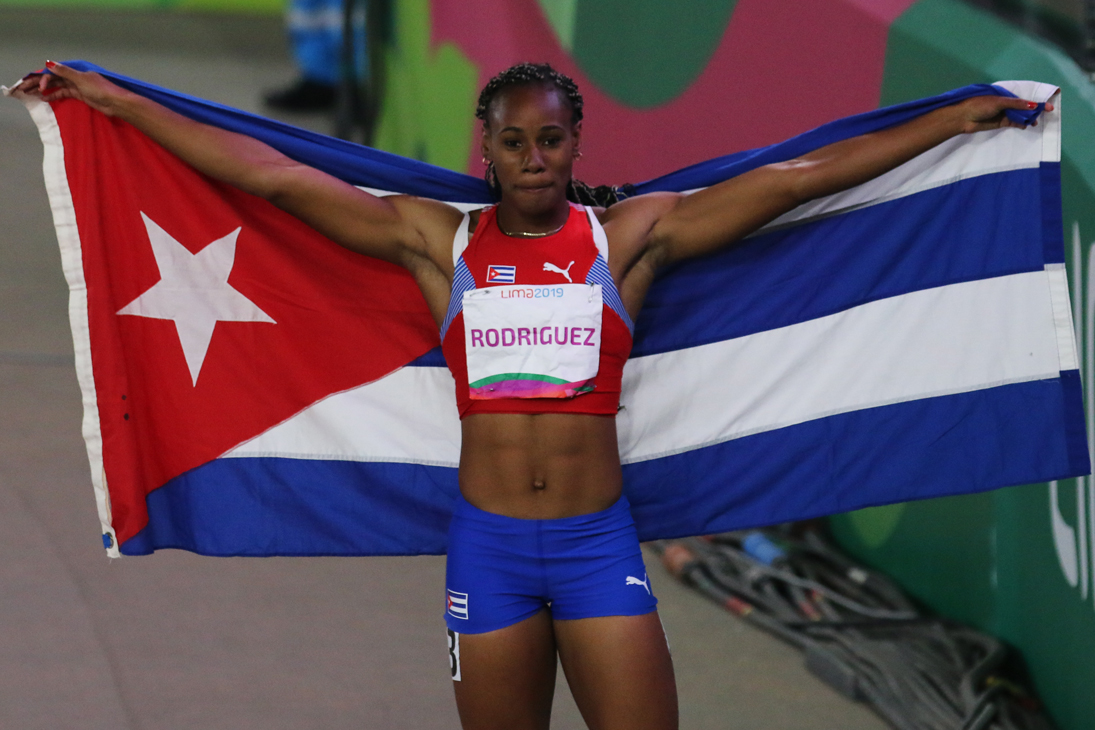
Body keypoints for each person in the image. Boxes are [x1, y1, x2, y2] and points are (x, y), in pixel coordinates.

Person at [18, 60, 1047, 730]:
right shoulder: (440, 242)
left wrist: (953, 119)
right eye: (513, 143)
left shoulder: (625, 240)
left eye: (551, 141)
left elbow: (795, 182)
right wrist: (124, 105)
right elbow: (276, 179)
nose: (533, 161)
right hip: (491, 552)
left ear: (573, 143)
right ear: (488, 151)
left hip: (598, 544)